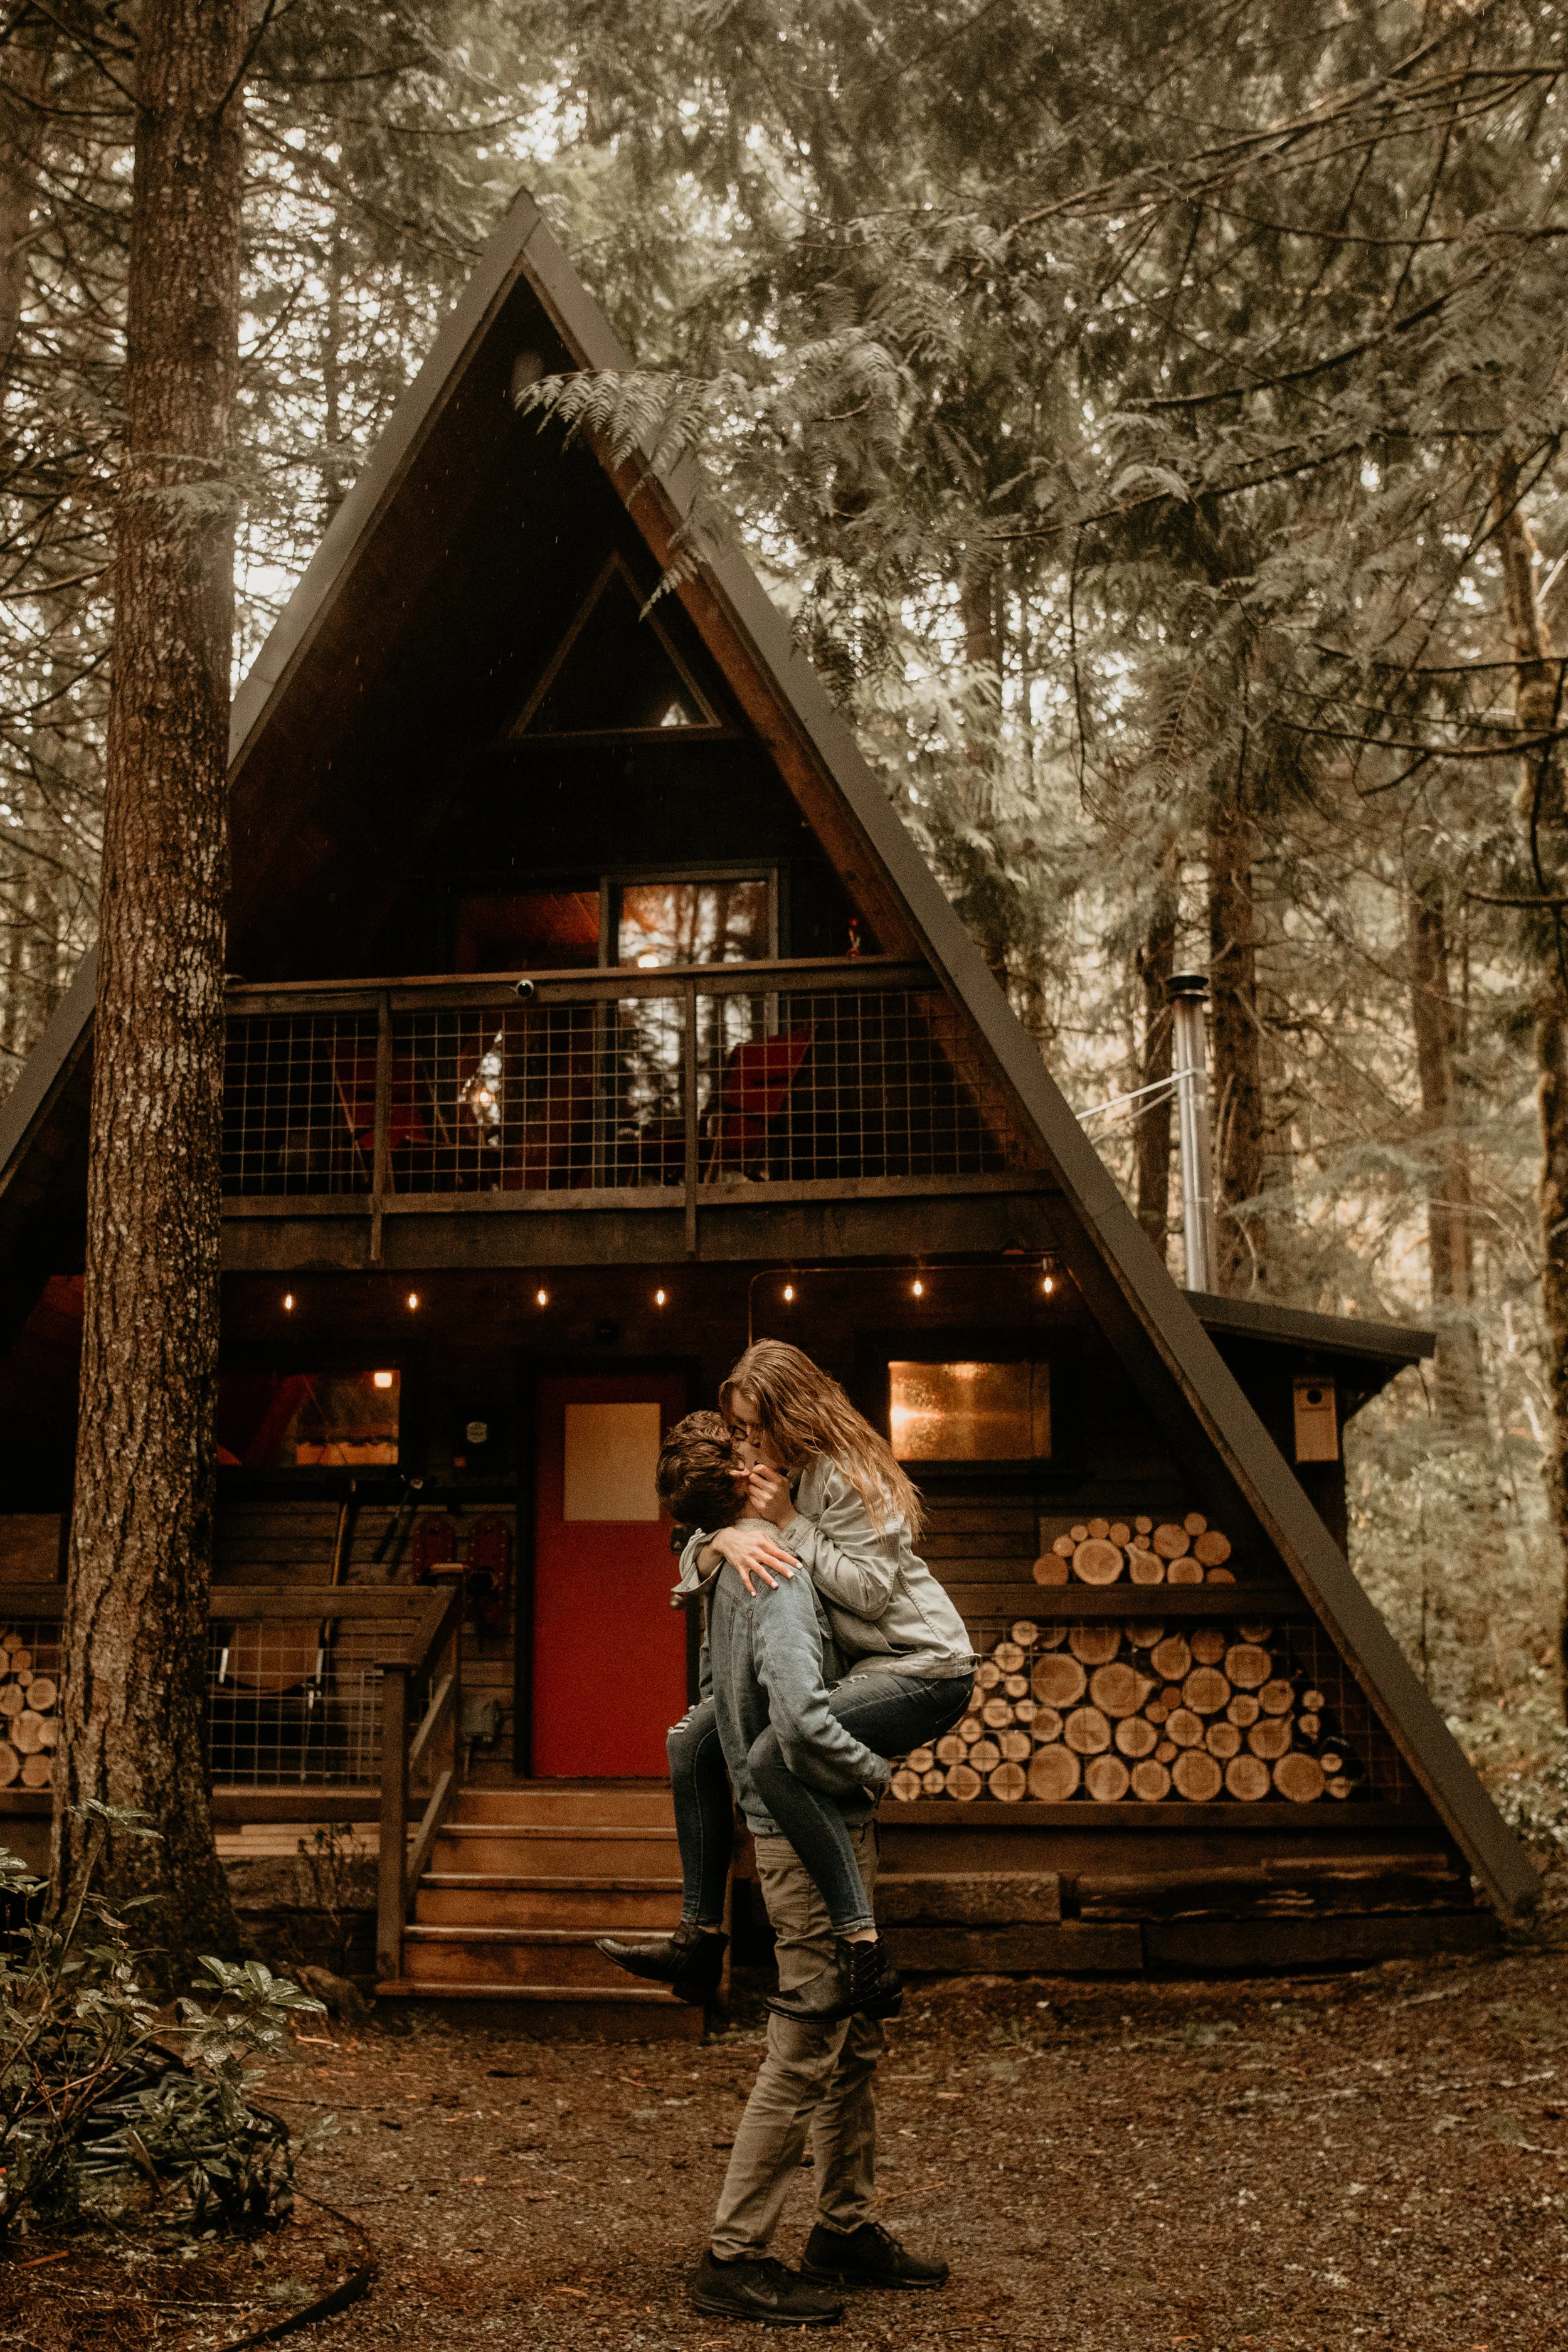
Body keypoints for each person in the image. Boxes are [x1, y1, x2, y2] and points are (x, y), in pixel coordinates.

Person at [654, 1412, 949, 2324]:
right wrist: (876, 1769)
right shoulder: (772, 1577)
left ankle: (843, 2225)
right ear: (744, 1477)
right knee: (811, 2032)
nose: (775, 1455)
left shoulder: (743, 1553)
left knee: (855, 2035)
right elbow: (797, 1718)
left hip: (816, 1817)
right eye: (755, 1448)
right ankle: (734, 2253)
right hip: (797, 1827)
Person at [598, 1342, 974, 2021]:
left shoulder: (857, 1475)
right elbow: (694, 1554)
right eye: (736, 1429)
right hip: (856, 1669)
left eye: (749, 1428)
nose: (741, 1444)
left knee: (774, 1754)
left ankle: (865, 1958)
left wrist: (786, 1526)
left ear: (789, 1415)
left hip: (920, 1665)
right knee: (693, 1744)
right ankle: (697, 1939)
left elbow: (865, 1591)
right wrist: (718, 1542)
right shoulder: (780, 1472)